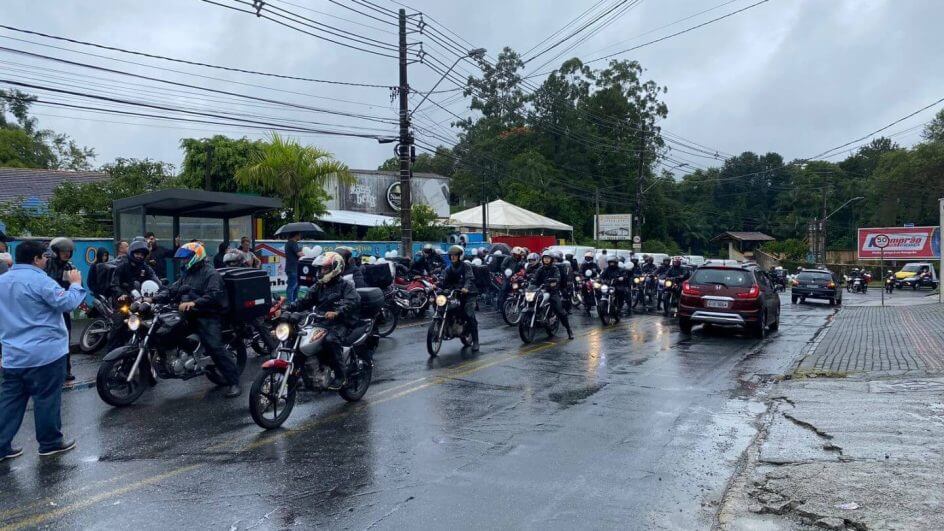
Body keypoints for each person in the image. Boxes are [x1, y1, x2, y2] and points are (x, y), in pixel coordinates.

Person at [0, 240, 85, 461]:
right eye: (44, 257)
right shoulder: (41, 281)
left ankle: (1, 446)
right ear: (36, 259)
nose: (47, 260)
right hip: (45, 354)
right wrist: (76, 284)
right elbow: (67, 303)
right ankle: (50, 443)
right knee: (46, 399)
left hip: (13, 355)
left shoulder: (3, 281)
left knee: (10, 402)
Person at [161, 242, 241, 398]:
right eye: (183, 259)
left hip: (208, 314)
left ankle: (234, 382)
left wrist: (194, 303)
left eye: (186, 258)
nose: (184, 261)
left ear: (196, 256)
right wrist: (153, 298)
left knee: (214, 347)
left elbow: (214, 295)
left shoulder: (211, 274)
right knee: (169, 329)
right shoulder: (187, 274)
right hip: (190, 313)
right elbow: (173, 289)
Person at [282, 251, 360, 389]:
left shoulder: (346, 285)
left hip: (341, 322)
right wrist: (286, 308)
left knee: (330, 340)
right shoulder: (319, 286)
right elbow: (304, 301)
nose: (321, 272)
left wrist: (337, 312)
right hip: (321, 321)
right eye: (320, 269)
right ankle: (298, 373)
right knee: (298, 338)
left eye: (325, 269)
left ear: (335, 269)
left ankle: (341, 376)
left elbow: (352, 301)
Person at [104, 240, 160, 353]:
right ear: (131, 253)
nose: (139, 256)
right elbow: (114, 284)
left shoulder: (146, 268)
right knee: (118, 324)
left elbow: (156, 281)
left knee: (153, 323)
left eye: (142, 254)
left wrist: (162, 291)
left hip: (141, 301)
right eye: (137, 253)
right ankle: (111, 354)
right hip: (123, 301)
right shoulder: (122, 266)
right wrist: (121, 294)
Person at [44, 237, 77, 382]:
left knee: (65, 339)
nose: (66, 254)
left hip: (63, 308)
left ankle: (66, 370)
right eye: (63, 251)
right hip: (47, 309)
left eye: (69, 251)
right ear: (56, 251)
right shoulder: (46, 265)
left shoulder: (70, 267)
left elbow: (75, 287)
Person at [441, 245, 479, 351]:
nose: (453, 257)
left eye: (455, 255)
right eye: (451, 255)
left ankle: (475, 341)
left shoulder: (466, 266)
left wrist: (466, 288)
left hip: (469, 293)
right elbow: (444, 280)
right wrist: (436, 286)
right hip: (456, 292)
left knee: (469, 314)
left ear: (459, 256)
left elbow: (469, 278)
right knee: (445, 307)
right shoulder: (449, 268)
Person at [528, 250, 574, 339]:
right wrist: (530, 283)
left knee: (560, 311)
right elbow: (535, 279)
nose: (546, 260)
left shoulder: (555, 268)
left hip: (552, 291)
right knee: (532, 300)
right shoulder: (540, 269)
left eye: (548, 258)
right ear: (542, 259)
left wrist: (554, 282)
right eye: (545, 258)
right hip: (541, 290)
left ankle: (569, 330)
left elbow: (557, 278)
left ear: (551, 259)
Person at [284, 232, 303, 303]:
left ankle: (294, 302)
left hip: (291, 268)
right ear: (296, 235)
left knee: (295, 287)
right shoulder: (293, 243)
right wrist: (305, 253)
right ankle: (290, 303)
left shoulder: (288, 243)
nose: (300, 236)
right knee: (292, 287)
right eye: (299, 235)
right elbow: (299, 254)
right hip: (293, 269)